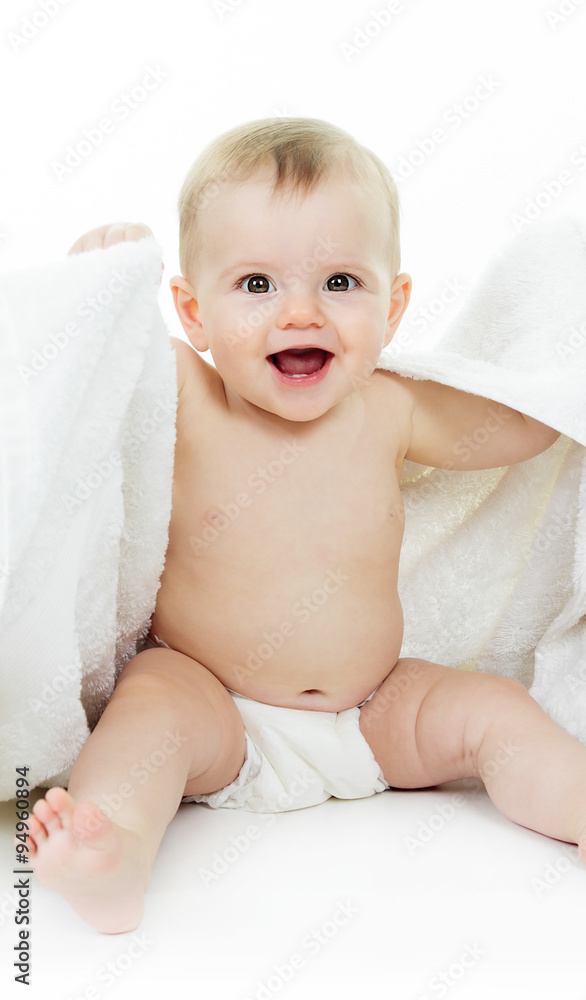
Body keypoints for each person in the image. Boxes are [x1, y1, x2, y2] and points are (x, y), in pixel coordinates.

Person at [23, 118, 586, 934]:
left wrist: (563, 362)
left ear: (393, 306)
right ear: (191, 311)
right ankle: (112, 856)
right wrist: (102, 273)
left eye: (340, 282)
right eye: (256, 285)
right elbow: (93, 359)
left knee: (494, 711)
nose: (300, 314)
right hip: (218, 702)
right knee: (147, 715)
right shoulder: (185, 393)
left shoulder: (391, 406)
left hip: (376, 710)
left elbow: (523, 423)